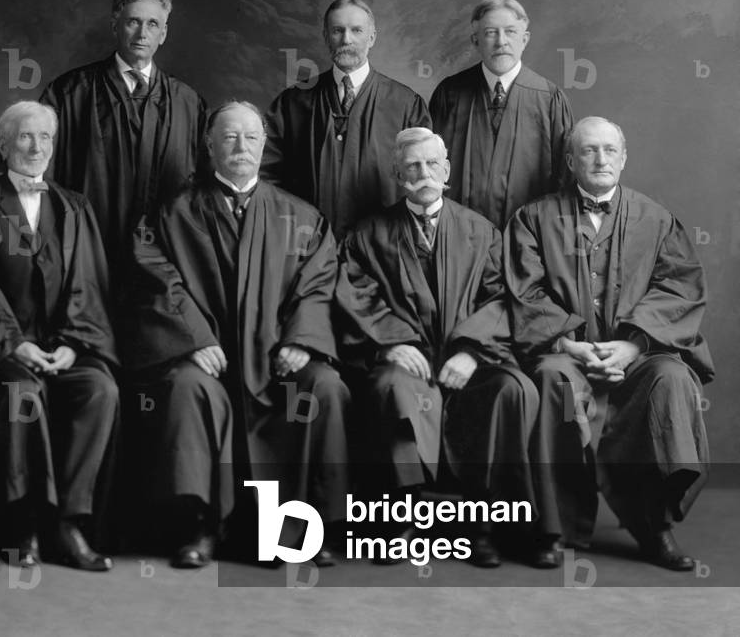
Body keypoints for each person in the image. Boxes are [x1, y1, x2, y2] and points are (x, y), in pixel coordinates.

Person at [126, 101, 349, 568]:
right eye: (228, 137)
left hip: (277, 364)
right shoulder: (173, 215)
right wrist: (196, 339)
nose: (240, 146)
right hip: (213, 363)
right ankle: (200, 527)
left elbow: (318, 284)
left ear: (264, 144)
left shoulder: (301, 217)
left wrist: (300, 340)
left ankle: (308, 528)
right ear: (210, 146)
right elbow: (157, 278)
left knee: (324, 387)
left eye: (250, 137)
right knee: (186, 387)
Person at [336, 128, 552, 568]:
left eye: (432, 164)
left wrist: (472, 352)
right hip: (406, 359)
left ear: (447, 169)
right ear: (397, 174)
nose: (423, 173)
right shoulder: (367, 234)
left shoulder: (482, 231)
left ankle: (483, 525)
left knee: (514, 390)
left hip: (470, 359)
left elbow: (500, 299)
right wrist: (390, 344)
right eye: (412, 166)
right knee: (394, 388)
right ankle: (402, 518)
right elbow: (355, 296)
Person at [505, 116, 712, 570]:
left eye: (608, 150)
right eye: (588, 150)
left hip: (637, 353)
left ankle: (652, 525)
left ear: (623, 158)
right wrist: (568, 344)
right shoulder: (534, 218)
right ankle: (555, 529)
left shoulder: (656, 219)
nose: (600, 159)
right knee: (551, 379)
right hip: (567, 353)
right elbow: (525, 291)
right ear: (570, 159)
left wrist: (635, 345)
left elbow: (680, 288)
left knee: (672, 378)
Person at [0, 101, 119, 572]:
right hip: (5, 347)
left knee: (100, 389)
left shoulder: (74, 206)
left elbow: (89, 283)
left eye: (45, 138)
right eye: (25, 137)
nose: (36, 147)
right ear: (3, 145)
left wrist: (72, 344)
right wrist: (13, 343)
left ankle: (68, 522)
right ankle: (23, 524)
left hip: (63, 344)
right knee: (23, 393)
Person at [39, 0, 207, 277]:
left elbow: (202, 190)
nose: (143, 33)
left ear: (163, 34)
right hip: (85, 255)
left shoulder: (188, 103)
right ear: (115, 26)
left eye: (153, 24)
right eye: (133, 22)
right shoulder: (70, 93)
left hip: (164, 262)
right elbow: (43, 177)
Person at [263, 0, 431, 236]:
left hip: (382, 245)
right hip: (307, 243)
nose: (346, 39)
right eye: (337, 30)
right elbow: (267, 174)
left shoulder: (405, 104)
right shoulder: (294, 102)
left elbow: (424, 180)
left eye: (356, 30)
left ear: (372, 37)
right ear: (325, 36)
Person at [429, 0, 573, 227]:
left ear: (524, 39)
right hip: (460, 235)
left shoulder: (549, 98)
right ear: (475, 41)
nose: (501, 42)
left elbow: (565, 180)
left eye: (511, 32)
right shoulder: (450, 94)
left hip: (529, 237)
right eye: (490, 33)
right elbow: (430, 169)